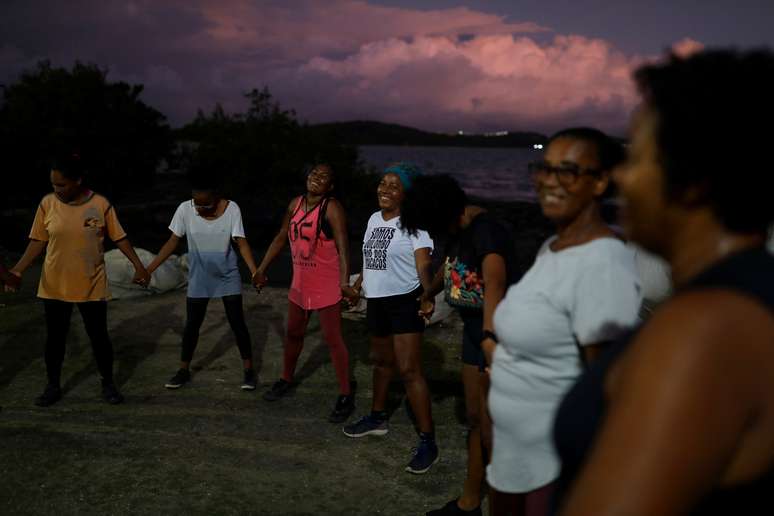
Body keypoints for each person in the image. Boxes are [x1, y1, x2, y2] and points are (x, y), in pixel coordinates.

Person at [553, 49, 774, 516]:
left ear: (693, 181)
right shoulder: (752, 295)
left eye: (639, 157)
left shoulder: (703, 330)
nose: (621, 178)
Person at [487, 128, 642, 515]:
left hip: (553, 469)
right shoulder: (551, 248)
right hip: (512, 460)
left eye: (568, 171)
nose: (549, 181)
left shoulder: (604, 263)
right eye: (544, 168)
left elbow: (608, 389)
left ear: (601, 181)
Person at [400, 174, 511, 514]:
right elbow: (449, 268)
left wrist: (492, 337)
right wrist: (429, 293)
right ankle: (470, 502)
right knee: (476, 419)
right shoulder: (457, 231)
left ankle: (508, 503)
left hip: (499, 334)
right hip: (472, 333)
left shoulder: (485, 230)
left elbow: (494, 282)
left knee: (497, 427)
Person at [5, 153, 151, 406]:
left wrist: (139, 266)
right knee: (55, 338)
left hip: (90, 283)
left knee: (99, 336)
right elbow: (38, 240)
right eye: (53, 184)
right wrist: (17, 270)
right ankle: (52, 386)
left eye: (61, 184)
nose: (56, 189)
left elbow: (119, 238)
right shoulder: (47, 204)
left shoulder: (100, 204)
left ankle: (108, 384)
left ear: (78, 181)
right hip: (54, 284)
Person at [342, 163, 439, 475]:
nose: (384, 189)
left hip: (404, 303)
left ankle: (428, 441)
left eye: (394, 185)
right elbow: (372, 259)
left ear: (406, 194)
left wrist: (428, 294)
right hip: (377, 303)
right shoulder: (373, 219)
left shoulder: (416, 227)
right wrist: (358, 286)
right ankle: (377, 418)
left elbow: (424, 265)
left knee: (410, 371)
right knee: (382, 363)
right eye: (382, 183)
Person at [254, 164, 356, 423]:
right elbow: (280, 237)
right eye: (313, 173)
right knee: (294, 333)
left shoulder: (332, 208)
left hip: (326, 282)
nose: (317, 178)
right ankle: (286, 379)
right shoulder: (295, 204)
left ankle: (345, 393)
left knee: (333, 338)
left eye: (324, 177)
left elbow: (344, 247)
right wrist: (261, 269)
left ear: (330, 187)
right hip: (300, 282)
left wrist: (344, 282)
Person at [146, 170, 260, 391]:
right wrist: (149, 269)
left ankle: (248, 371)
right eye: (196, 204)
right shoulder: (184, 209)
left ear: (215, 196)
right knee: (192, 325)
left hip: (227, 274)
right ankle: (183, 370)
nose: (200, 209)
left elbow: (241, 242)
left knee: (237, 323)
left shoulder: (232, 208)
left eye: (205, 205)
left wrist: (255, 271)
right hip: (199, 275)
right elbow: (172, 242)